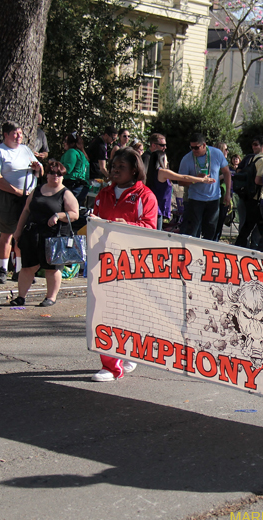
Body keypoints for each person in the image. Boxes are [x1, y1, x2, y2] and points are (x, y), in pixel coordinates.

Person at [90, 148, 158, 382]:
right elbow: (95, 222)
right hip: (103, 261)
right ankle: (111, 365)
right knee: (105, 312)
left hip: (132, 263)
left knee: (128, 312)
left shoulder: (145, 195)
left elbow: (150, 229)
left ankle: (127, 354)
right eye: (113, 166)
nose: (115, 170)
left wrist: (124, 225)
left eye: (121, 167)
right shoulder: (103, 193)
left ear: (134, 170)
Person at [11, 160, 79, 307]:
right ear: (47, 174)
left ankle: (51, 297)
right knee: (27, 267)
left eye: (59, 174)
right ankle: (21, 297)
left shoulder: (65, 193)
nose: (56, 176)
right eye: (52, 173)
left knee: (52, 268)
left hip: (54, 236)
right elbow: (26, 210)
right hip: (33, 233)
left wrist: (58, 215)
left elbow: (75, 214)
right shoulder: (37, 190)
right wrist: (18, 231)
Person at [0, 120, 43, 284]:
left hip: (26, 197)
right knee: (7, 234)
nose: (19, 137)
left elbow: (40, 170)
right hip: (7, 197)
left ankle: (19, 270)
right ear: (6, 135)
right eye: (15, 134)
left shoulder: (25, 150)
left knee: (23, 235)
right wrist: (15, 191)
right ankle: (2, 269)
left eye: (20, 133)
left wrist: (38, 168)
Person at [178, 133, 231, 240]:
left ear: (204, 145)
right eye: (191, 147)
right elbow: (180, 182)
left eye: (196, 147)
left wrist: (228, 193)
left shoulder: (216, 153)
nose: (194, 150)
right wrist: (195, 179)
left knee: (211, 230)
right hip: (195, 199)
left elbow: (226, 172)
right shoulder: (187, 159)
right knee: (193, 230)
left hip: (214, 199)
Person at [234, 136, 263, 248]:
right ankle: (248, 247)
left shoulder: (252, 159)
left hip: (249, 195)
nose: (253, 147)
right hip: (253, 196)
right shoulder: (257, 159)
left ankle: (245, 246)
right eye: (253, 144)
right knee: (249, 224)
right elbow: (240, 172)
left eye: (256, 144)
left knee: (250, 224)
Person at [59, 132, 91, 206]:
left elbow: (67, 169)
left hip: (73, 186)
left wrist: (54, 165)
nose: (64, 143)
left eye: (65, 141)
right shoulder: (83, 155)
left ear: (72, 143)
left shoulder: (71, 152)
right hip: (83, 188)